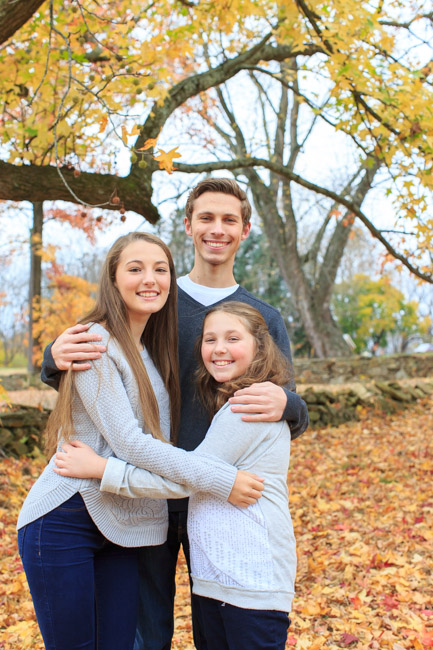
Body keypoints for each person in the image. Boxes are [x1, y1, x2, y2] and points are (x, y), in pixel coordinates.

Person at [40, 177, 309, 650]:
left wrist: (290, 404)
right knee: (145, 635)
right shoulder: (156, 298)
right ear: (188, 225)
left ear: (245, 230)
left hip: (223, 504)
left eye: (229, 219)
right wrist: (52, 355)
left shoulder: (263, 317)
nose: (217, 229)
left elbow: (282, 406)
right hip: (146, 498)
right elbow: (98, 352)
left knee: (218, 629)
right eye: (206, 217)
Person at [17, 233, 263, 650]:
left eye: (160, 269)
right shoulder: (94, 342)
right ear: (113, 280)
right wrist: (221, 479)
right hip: (66, 518)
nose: (150, 279)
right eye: (135, 269)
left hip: (124, 527)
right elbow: (133, 444)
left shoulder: (148, 348)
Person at [54, 301, 297, 650]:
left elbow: (186, 479)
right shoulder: (230, 404)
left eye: (233, 338)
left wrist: (103, 469)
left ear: (260, 346)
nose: (219, 349)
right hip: (219, 581)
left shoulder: (249, 407)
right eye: (209, 339)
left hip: (252, 584)